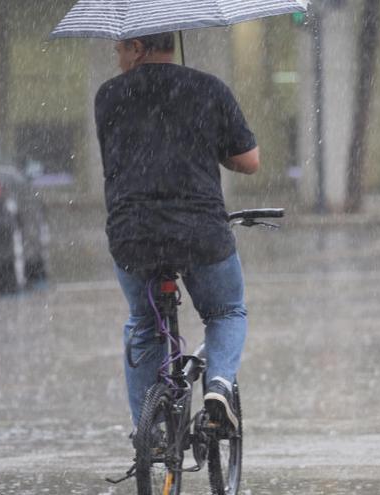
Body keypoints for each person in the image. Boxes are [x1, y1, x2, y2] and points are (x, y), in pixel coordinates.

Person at [94, 32, 260, 432]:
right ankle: (218, 383)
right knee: (225, 311)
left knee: (143, 323)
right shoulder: (209, 88)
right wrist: (209, 146)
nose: (117, 57)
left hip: (133, 233)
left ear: (138, 47)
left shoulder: (108, 96)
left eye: (119, 48)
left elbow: (120, 157)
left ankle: (147, 435)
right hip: (199, 230)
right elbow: (250, 161)